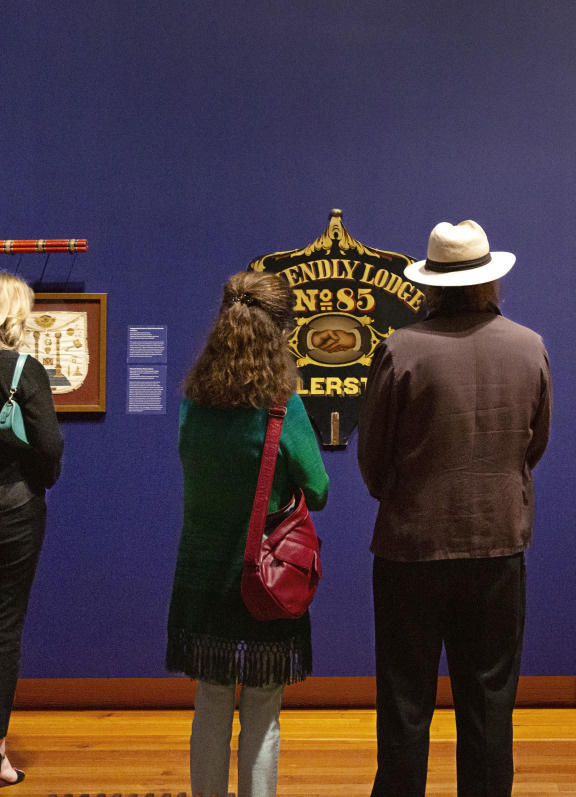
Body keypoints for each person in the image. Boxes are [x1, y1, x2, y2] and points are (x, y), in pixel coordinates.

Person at [359, 220, 551, 797]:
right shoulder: (529, 346)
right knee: (491, 704)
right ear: (490, 280)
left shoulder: (400, 349)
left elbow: (373, 459)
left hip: (410, 548)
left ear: (431, 285)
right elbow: (534, 445)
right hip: (497, 546)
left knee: (404, 703)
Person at [165, 271, 330, 797]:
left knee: (210, 701)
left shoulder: (194, 400)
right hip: (265, 576)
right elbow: (319, 489)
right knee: (262, 707)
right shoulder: (284, 406)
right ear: (280, 331)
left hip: (201, 572)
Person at [0, 271, 63, 788]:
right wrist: (40, 482)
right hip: (13, 512)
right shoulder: (23, 370)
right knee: (3, 629)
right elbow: (49, 449)